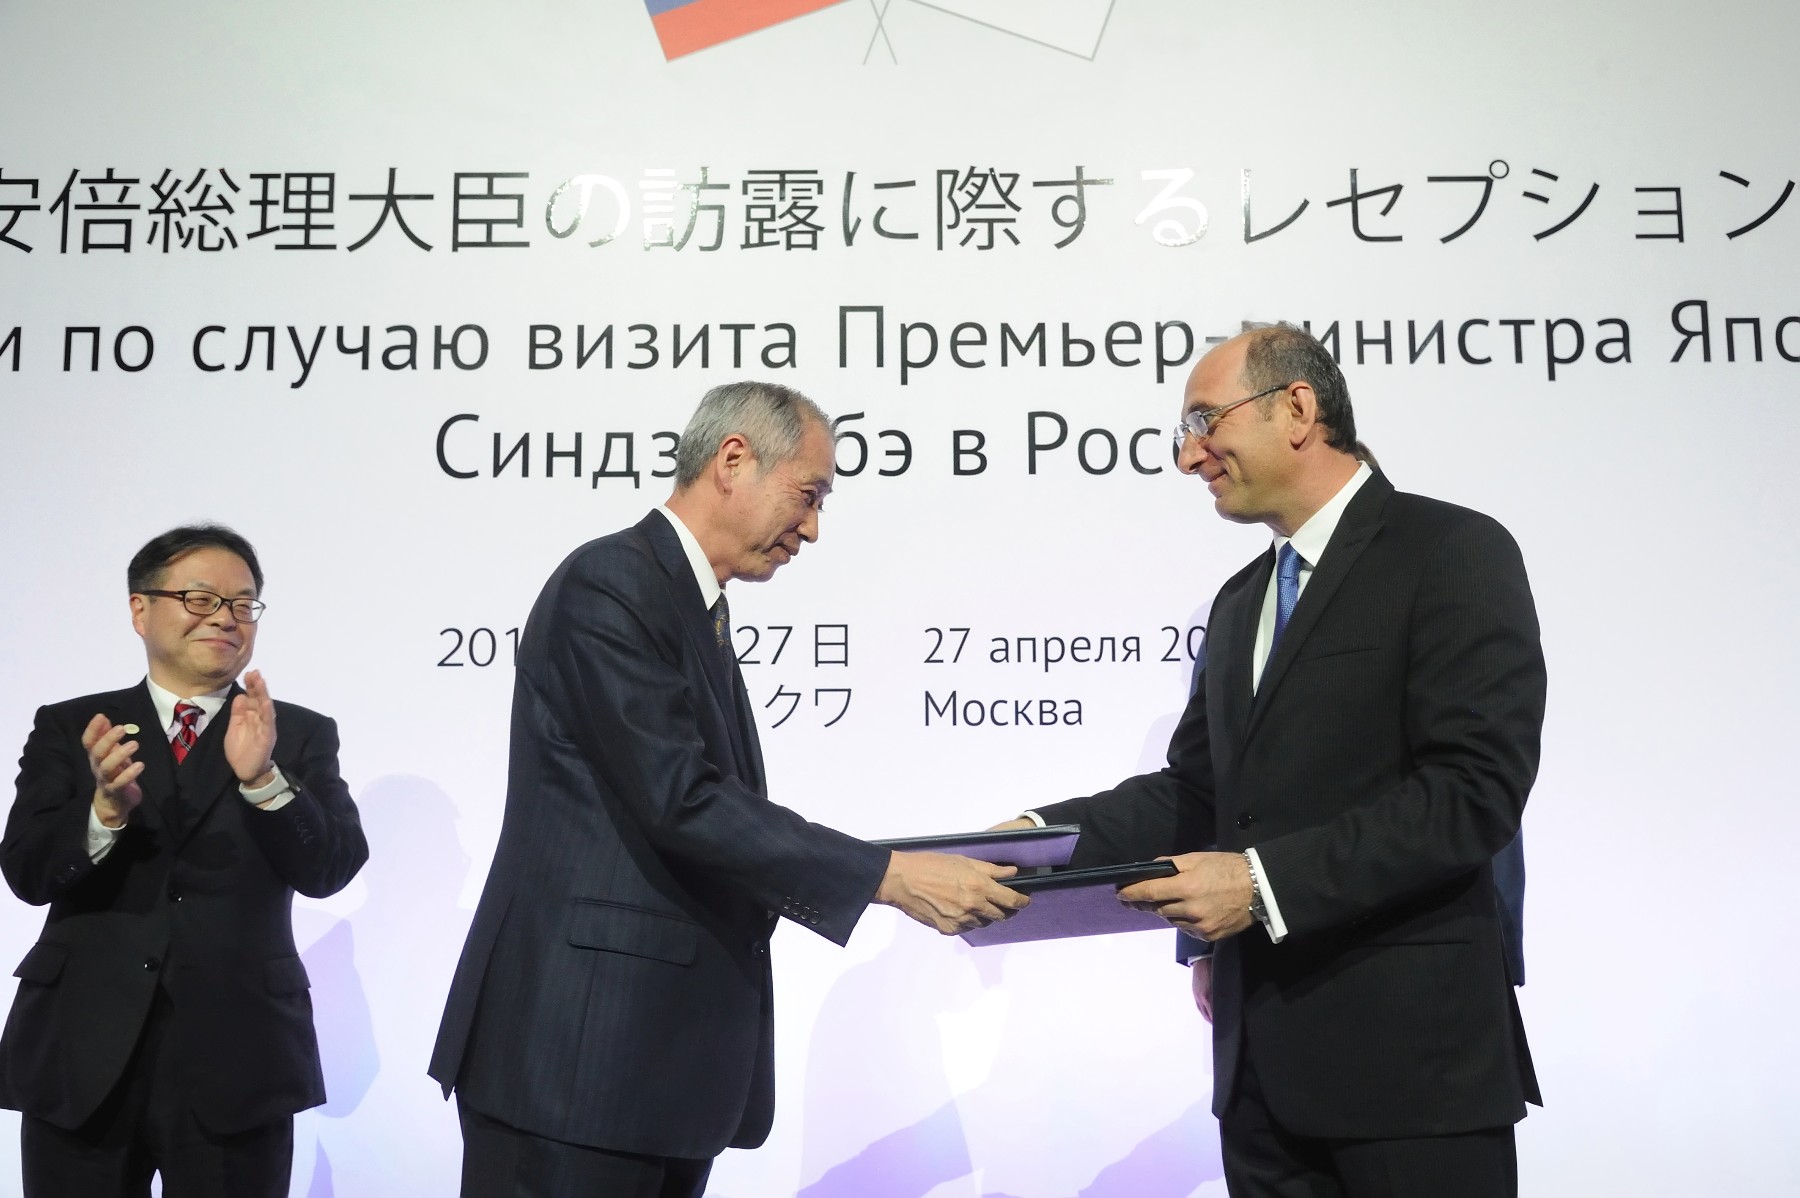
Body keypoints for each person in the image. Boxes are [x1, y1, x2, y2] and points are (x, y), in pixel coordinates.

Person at [430, 381, 1025, 1198]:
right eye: (809, 495)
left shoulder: (689, 604)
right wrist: (885, 876)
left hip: (652, 1076)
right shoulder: (612, 583)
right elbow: (681, 799)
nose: (813, 528)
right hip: (575, 1066)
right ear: (733, 460)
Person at [1024, 324, 1545, 1197]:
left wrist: (1260, 885)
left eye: (1204, 421)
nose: (1188, 455)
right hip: (1260, 1081)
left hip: (1413, 1077)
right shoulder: (1241, 602)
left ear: (1297, 409)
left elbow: (1472, 793)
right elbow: (1197, 792)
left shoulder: (1451, 550)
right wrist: (1033, 840)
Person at [0, 524, 369, 1198]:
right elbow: (27, 872)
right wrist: (103, 811)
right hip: (81, 1050)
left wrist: (265, 781)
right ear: (140, 610)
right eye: (200, 599)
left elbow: (331, 869)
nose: (226, 618)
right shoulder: (72, 725)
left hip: (241, 1054)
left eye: (243, 604)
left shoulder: (295, 732)